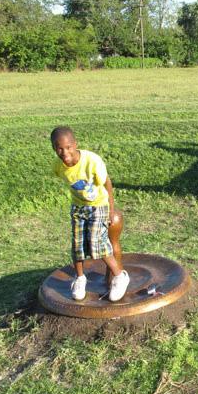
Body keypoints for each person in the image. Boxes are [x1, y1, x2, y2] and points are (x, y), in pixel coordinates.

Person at [50, 126, 129, 301]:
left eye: (68, 147)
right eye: (59, 149)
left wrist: (110, 208)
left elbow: (106, 183)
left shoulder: (92, 161)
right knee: (77, 245)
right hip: (78, 207)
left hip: (98, 205)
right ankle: (79, 278)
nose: (65, 152)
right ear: (54, 149)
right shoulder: (58, 166)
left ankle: (119, 276)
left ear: (75, 144)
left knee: (97, 243)